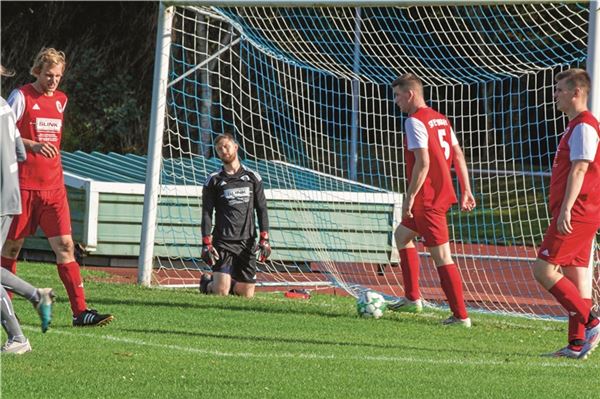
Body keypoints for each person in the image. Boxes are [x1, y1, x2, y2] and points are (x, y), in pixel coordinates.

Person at [0, 48, 113, 327]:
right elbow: (5, 134)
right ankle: (6, 312)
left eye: (58, 76)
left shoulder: (62, 100)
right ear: (37, 71)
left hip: (53, 188)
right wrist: (32, 145)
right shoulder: (21, 96)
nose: (53, 81)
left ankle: (81, 312)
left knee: (65, 247)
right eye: (49, 75)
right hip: (23, 187)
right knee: (10, 250)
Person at [390, 73, 476, 327]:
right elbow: (458, 155)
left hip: (428, 199)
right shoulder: (441, 119)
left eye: (397, 95)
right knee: (402, 236)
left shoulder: (414, 121)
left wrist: (410, 196)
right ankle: (412, 298)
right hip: (437, 196)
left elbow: (423, 162)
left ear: (411, 94)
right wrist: (466, 189)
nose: (396, 101)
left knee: (442, 257)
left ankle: (461, 316)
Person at [533, 68, 600, 359]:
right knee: (575, 280)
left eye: (559, 90)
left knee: (543, 270)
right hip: (579, 211)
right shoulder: (575, 126)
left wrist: (567, 208)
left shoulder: (585, 125)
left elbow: (581, 168)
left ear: (576, 92)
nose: (555, 95)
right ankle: (576, 344)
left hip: (578, 212)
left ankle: (593, 320)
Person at [1, 63, 54, 354]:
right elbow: (20, 152)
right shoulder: (5, 109)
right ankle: (36, 296)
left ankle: (19, 337)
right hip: (10, 195)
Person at [199, 133, 271, 298]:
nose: (223, 151)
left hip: (247, 242)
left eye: (226, 146)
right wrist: (206, 243)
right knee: (220, 292)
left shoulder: (253, 178)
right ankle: (207, 283)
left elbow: (262, 209)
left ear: (236, 147)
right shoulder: (213, 180)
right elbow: (207, 213)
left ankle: (227, 282)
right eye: (219, 149)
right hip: (223, 242)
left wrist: (264, 239)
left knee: (247, 295)